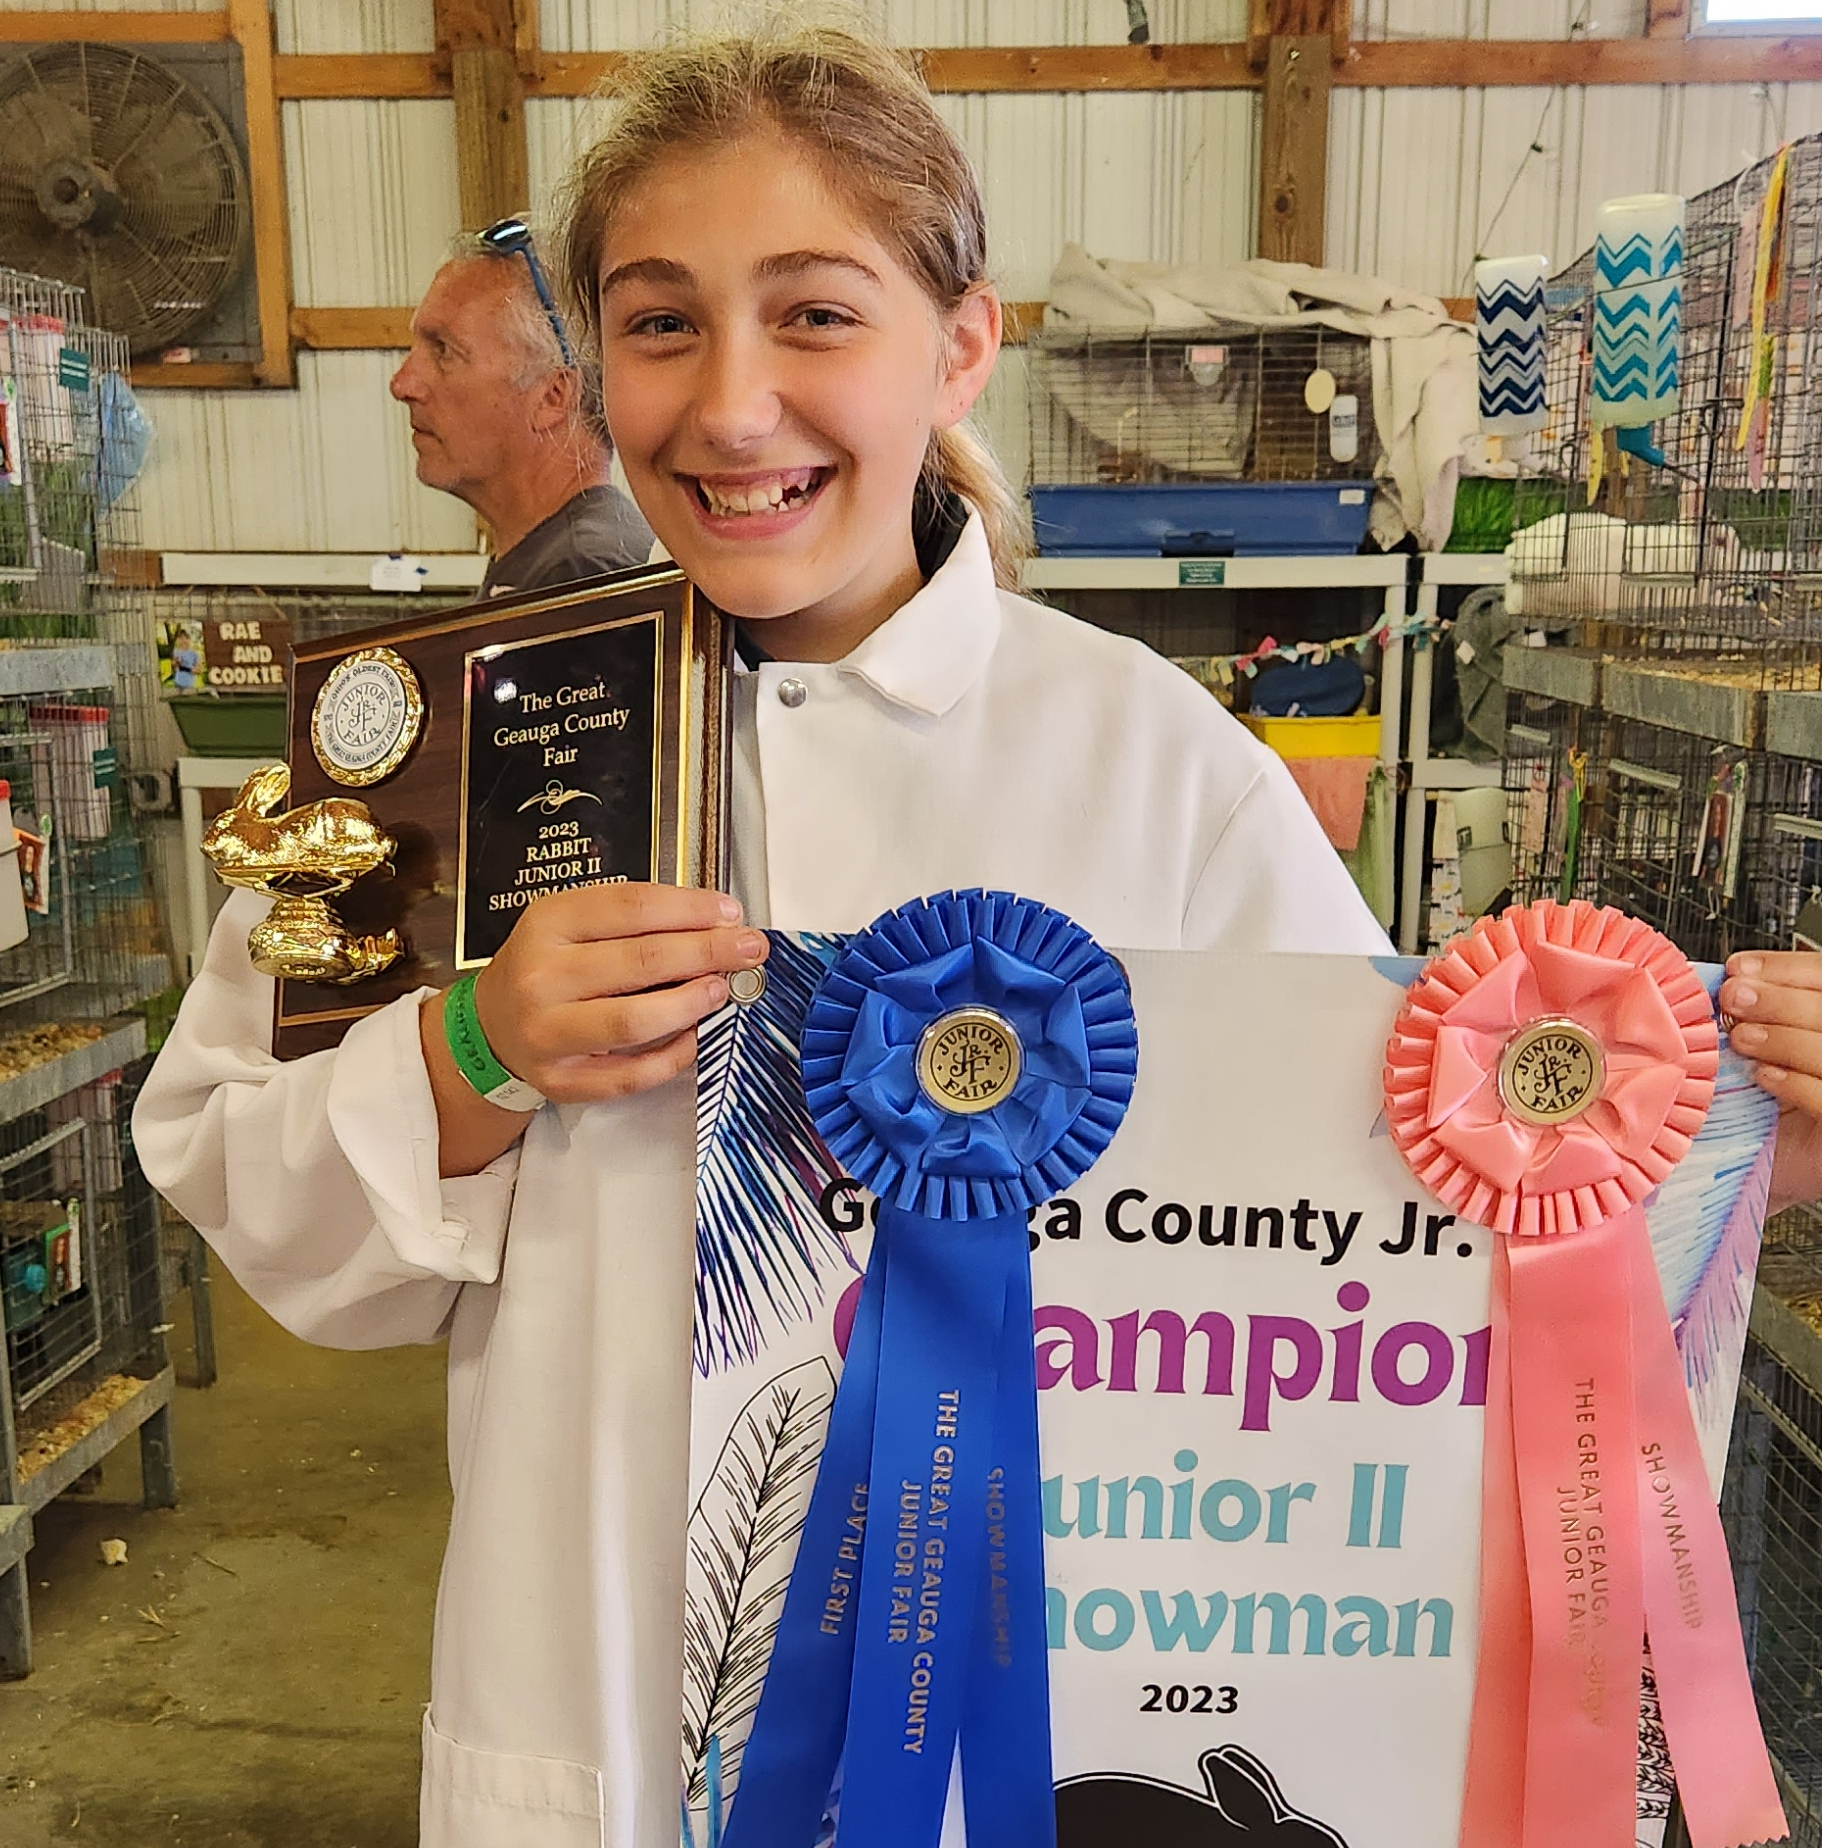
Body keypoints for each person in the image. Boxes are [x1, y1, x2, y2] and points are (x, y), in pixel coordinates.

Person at [134, 26, 1822, 1848]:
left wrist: (1726, 1154)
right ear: (594, 361)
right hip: (591, 1713)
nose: (729, 406)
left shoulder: (1157, 765)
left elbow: (1386, 1237)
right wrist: (469, 1052)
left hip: (1033, 1732)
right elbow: (248, 1186)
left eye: (813, 315)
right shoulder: (449, 741)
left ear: (957, 347)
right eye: (658, 320)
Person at [390, 224, 652, 597]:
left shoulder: (579, 575)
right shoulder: (553, 559)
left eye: (444, 351)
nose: (402, 385)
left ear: (553, 396)